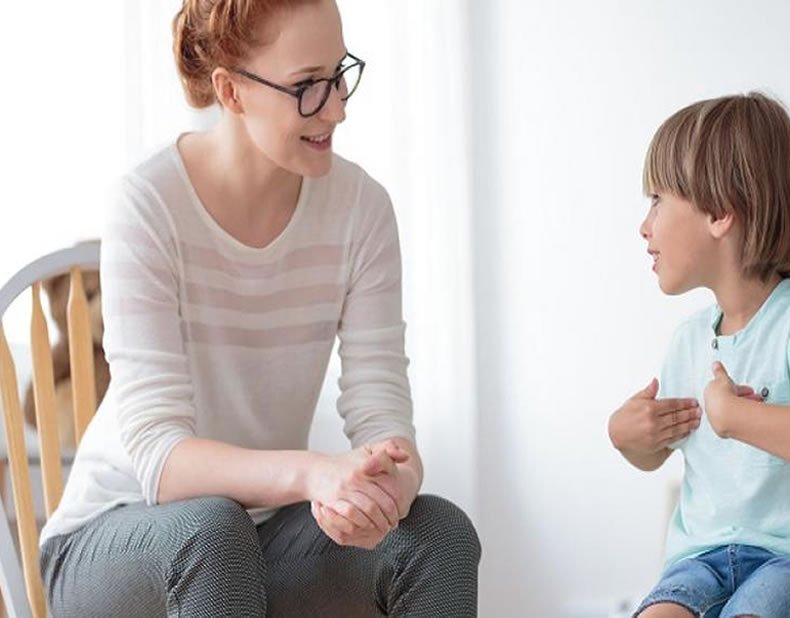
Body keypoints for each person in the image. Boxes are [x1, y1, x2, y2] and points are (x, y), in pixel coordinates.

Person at [39, 1, 480, 615]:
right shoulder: (147, 204)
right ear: (231, 91)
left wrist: (386, 487)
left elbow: (382, 410)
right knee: (213, 532)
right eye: (306, 86)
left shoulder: (362, 210)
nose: (337, 107)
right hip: (114, 538)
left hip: (258, 537)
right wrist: (312, 474)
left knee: (436, 535)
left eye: (338, 74)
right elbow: (162, 459)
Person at [608, 92, 790, 618]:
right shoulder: (688, 341)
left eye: (658, 200)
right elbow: (657, 452)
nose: (645, 225)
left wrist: (741, 417)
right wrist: (629, 437)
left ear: (720, 212)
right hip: (698, 563)